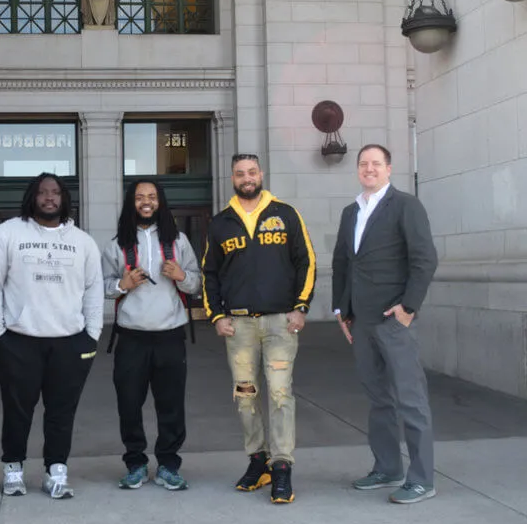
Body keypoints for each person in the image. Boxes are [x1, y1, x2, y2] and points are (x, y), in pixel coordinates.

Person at [0, 173, 104, 499]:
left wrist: (92, 334)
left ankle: (56, 471)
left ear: (65, 198)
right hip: (19, 340)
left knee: (62, 410)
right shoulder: (6, 234)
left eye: (56, 192)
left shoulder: (82, 241)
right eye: (43, 192)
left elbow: (94, 290)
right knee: (17, 409)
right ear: (32, 197)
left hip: (71, 340)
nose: (49, 198)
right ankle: (13, 468)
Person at [202, 153, 316, 504]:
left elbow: (306, 261)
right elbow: (210, 273)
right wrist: (216, 315)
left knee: (280, 394)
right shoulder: (221, 222)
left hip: (281, 322)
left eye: (252, 172)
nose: (247, 178)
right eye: (240, 173)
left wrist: (301, 307)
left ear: (261, 174)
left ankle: (282, 468)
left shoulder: (285, 214)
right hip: (239, 327)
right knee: (246, 396)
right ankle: (258, 461)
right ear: (233, 178)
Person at [332, 144, 438, 504]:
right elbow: (343, 264)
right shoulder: (351, 212)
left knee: (411, 400)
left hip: (394, 321)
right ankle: (388, 468)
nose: (369, 169)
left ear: (389, 169)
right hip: (361, 321)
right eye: (364, 164)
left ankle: (422, 478)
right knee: (378, 398)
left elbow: (424, 259)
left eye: (376, 163)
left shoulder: (406, 206)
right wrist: (341, 311)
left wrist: (409, 307)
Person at [102, 180, 201, 491]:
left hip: (170, 335)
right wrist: (123, 284)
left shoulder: (179, 241)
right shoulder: (117, 244)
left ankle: (169, 464)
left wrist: (182, 277)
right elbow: (101, 286)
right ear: (131, 202)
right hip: (131, 337)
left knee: (171, 405)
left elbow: (197, 282)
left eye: (152, 197)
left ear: (161, 202)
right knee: (128, 403)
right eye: (140, 197)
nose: (146, 202)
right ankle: (135, 463)